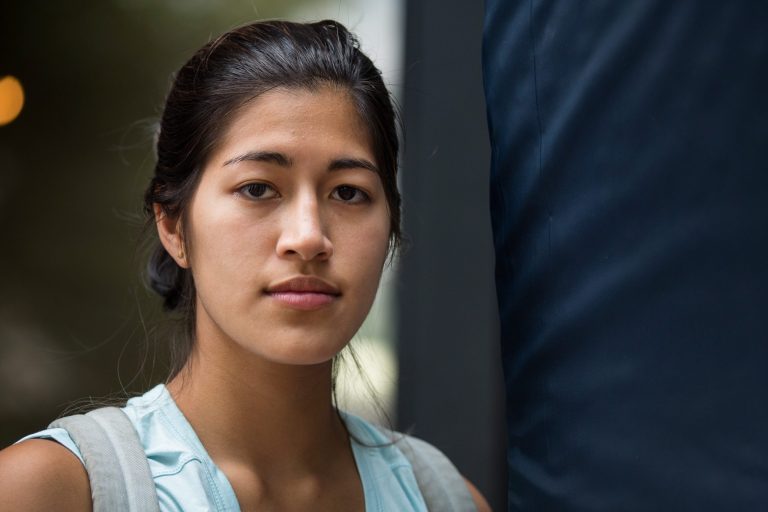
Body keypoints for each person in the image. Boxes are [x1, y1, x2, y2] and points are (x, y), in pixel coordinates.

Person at [0, 20, 490, 511]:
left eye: (348, 192)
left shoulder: (441, 498)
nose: (308, 238)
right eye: (257, 188)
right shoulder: (53, 490)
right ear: (174, 227)